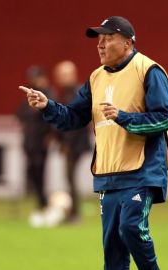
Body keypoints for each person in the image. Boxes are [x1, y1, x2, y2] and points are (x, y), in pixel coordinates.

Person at [20, 16, 168, 270]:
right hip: (107, 174)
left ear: (127, 43)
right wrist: (48, 106)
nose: (100, 45)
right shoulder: (95, 78)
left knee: (131, 228)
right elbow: (73, 118)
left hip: (142, 171)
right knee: (112, 248)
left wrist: (123, 117)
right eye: (99, 40)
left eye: (108, 39)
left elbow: (164, 119)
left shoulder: (148, 70)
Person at [16, 66, 57, 226]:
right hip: (30, 142)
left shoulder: (49, 94)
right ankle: (42, 202)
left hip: (40, 142)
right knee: (32, 173)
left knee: (39, 173)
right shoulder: (31, 96)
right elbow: (20, 113)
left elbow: (52, 117)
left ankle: (44, 204)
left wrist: (51, 135)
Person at [53, 61, 91, 224]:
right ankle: (74, 213)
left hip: (76, 145)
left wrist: (67, 143)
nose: (59, 78)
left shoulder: (76, 93)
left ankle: (75, 214)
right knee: (69, 178)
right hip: (73, 144)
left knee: (70, 177)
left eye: (62, 75)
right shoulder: (70, 92)